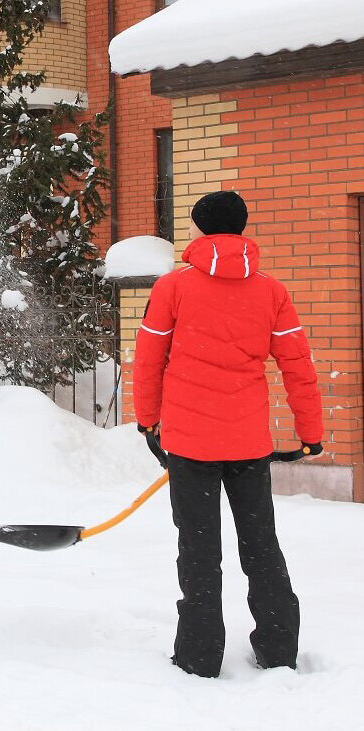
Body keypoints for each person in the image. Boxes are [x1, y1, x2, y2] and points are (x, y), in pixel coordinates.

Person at [133, 191, 323, 678]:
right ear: (240, 230)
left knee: (199, 550)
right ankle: (278, 649)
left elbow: (149, 360)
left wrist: (149, 422)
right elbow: (298, 367)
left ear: (199, 229)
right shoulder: (271, 291)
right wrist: (310, 434)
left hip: (190, 445)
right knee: (260, 544)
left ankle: (198, 656)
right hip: (247, 444)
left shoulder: (173, 288)